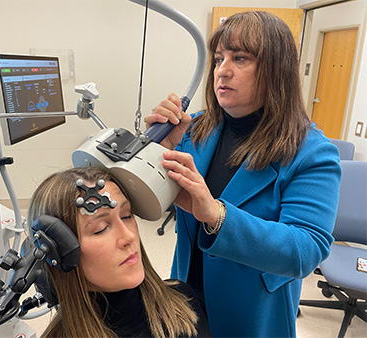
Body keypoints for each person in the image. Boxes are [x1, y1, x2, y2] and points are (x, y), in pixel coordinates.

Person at [145, 11, 341, 338]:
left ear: (277, 69)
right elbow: (159, 198)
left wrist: (217, 216)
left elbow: (306, 249)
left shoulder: (311, 152)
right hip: (186, 291)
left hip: (251, 311)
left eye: (240, 58)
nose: (222, 70)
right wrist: (154, 147)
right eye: (219, 58)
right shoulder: (197, 127)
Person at [26, 166, 212, 338]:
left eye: (126, 216)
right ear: (60, 252)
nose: (129, 236)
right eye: (100, 228)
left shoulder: (183, 300)